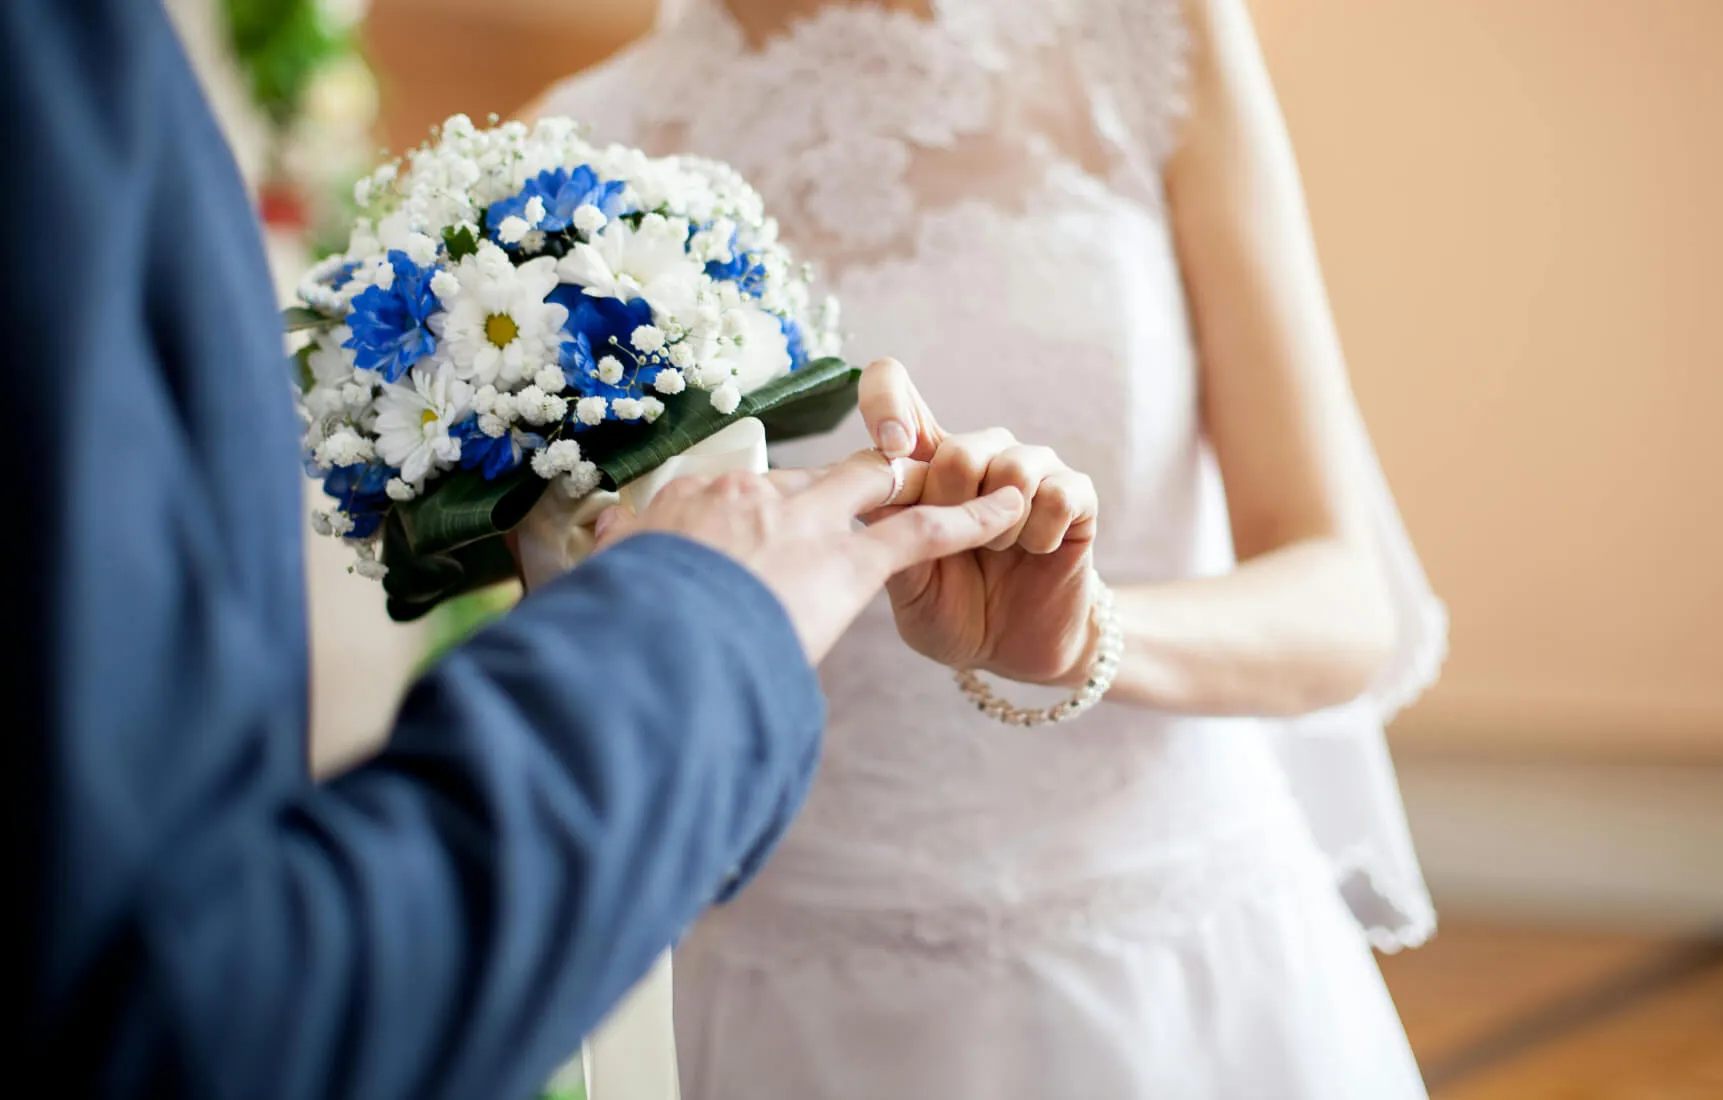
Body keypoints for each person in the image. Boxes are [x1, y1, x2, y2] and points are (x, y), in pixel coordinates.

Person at [2, 2, 1101, 1097]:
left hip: (1106, 903)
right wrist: (694, 612)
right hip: (719, 910)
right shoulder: (549, 151)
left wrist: (1084, 637)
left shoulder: (1132, 32)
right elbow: (164, 995)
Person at [535, 0, 1450, 1096]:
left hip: (1176, 982)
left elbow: (1344, 605)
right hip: (790, 1009)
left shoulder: (1147, 37)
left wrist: (1083, 632)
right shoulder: (574, 158)